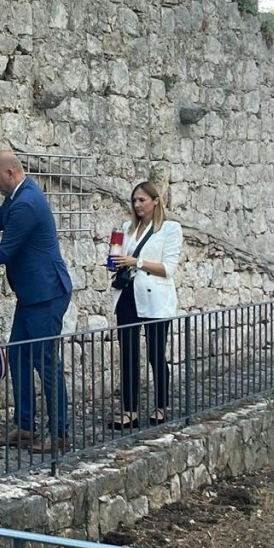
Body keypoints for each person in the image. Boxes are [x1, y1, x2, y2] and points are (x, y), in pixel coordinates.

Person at [0, 150, 73, 452]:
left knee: (45, 361)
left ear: (10, 173)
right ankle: (26, 426)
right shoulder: (17, 196)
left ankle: (61, 433)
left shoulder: (26, 202)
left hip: (47, 293)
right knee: (18, 355)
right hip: (32, 294)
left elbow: (4, 251)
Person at [108, 181, 183, 430]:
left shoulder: (170, 229)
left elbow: (168, 268)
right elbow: (121, 256)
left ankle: (161, 406)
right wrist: (117, 263)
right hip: (128, 293)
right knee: (128, 353)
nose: (138, 205)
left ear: (155, 201)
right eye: (135, 201)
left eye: (142, 200)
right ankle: (130, 410)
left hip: (155, 297)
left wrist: (135, 261)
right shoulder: (128, 228)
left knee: (155, 353)